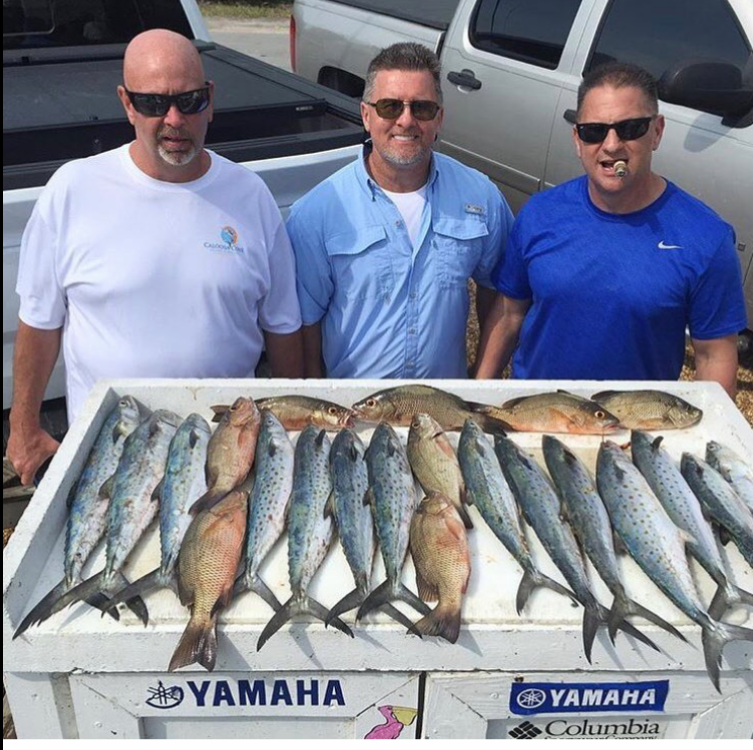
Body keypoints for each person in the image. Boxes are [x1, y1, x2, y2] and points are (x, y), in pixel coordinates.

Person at [8, 29, 304, 486]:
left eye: (189, 101)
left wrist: (290, 432)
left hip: (225, 455)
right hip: (109, 459)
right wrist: (24, 428)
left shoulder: (251, 196)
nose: (174, 119)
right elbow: (39, 323)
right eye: (152, 103)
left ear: (211, 99)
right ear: (127, 103)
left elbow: (283, 328)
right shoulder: (72, 191)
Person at [475, 62, 746, 395]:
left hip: (633, 431)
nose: (612, 144)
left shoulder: (706, 238)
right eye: (594, 131)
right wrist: (474, 396)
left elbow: (713, 356)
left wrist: (707, 435)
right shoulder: (539, 214)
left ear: (657, 131)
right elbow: (509, 315)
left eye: (630, 128)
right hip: (538, 420)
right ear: (577, 139)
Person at [286, 43, 514, 379]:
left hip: (443, 411)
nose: (405, 121)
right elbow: (306, 323)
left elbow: (501, 292)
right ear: (366, 115)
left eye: (421, 108)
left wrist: (481, 384)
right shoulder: (317, 213)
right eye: (390, 107)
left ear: (439, 118)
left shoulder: (481, 197)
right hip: (357, 414)